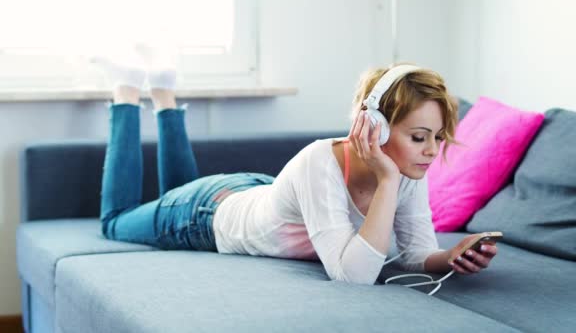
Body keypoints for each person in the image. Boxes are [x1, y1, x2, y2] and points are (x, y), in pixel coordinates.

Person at [95, 46, 498, 285]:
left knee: (174, 192)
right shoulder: (323, 163)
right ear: (373, 126)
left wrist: (450, 257)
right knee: (115, 221)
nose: (431, 151)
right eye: (419, 136)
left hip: (250, 192)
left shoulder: (408, 168)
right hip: (203, 216)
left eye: (437, 137)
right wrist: (388, 181)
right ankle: (128, 92)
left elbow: (415, 254)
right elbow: (352, 276)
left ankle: (164, 91)